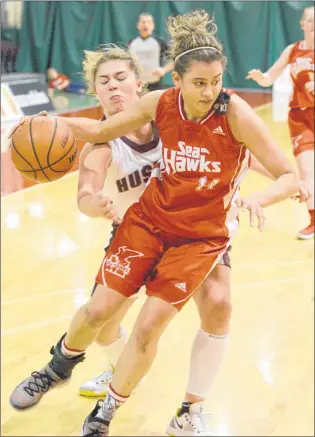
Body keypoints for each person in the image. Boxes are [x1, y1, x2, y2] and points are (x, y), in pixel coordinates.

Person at [10, 10, 299, 436]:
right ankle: (65, 365)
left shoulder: (228, 112)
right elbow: (89, 168)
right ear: (177, 80)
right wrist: (48, 124)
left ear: (139, 79)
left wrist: (258, 194)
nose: (211, 90)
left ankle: (153, 409)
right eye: (200, 82)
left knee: (206, 309)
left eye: (217, 80)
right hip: (143, 222)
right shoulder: (143, 116)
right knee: (100, 314)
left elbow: (262, 161)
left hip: (201, 233)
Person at [246, 5, 314, 240]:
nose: (313, 24)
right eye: (309, 20)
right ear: (302, 25)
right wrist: (260, 78)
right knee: (306, 169)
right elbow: (270, 77)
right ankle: (313, 220)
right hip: (300, 117)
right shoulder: (293, 50)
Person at [128, 13, 174, 91]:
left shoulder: (159, 42)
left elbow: (174, 58)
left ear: (153, 26)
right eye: (143, 22)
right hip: (136, 85)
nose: (145, 24)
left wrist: (163, 70)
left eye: (148, 22)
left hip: (155, 85)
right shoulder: (131, 43)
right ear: (138, 25)